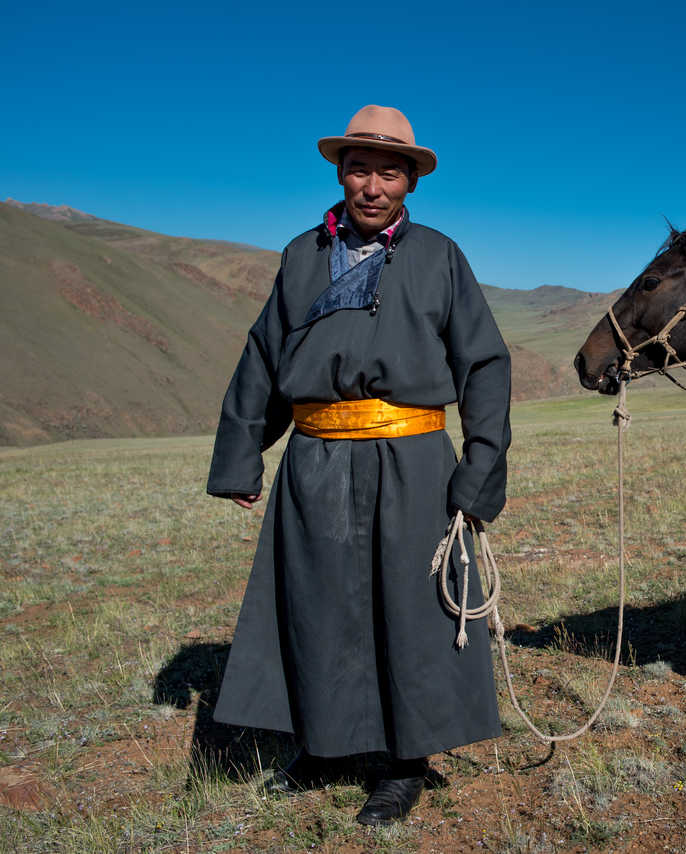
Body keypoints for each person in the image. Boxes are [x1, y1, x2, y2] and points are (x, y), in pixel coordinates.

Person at [206, 104, 511, 826]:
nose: (372, 186)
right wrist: (243, 454)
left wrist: (479, 471)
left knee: (409, 611)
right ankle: (323, 745)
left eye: (389, 171)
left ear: (410, 181)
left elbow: (486, 367)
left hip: (412, 461)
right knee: (317, 604)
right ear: (341, 173)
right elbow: (262, 358)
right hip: (313, 460)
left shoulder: (440, 256)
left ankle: (405, 763)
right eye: (359, 169)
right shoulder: (301, 254)